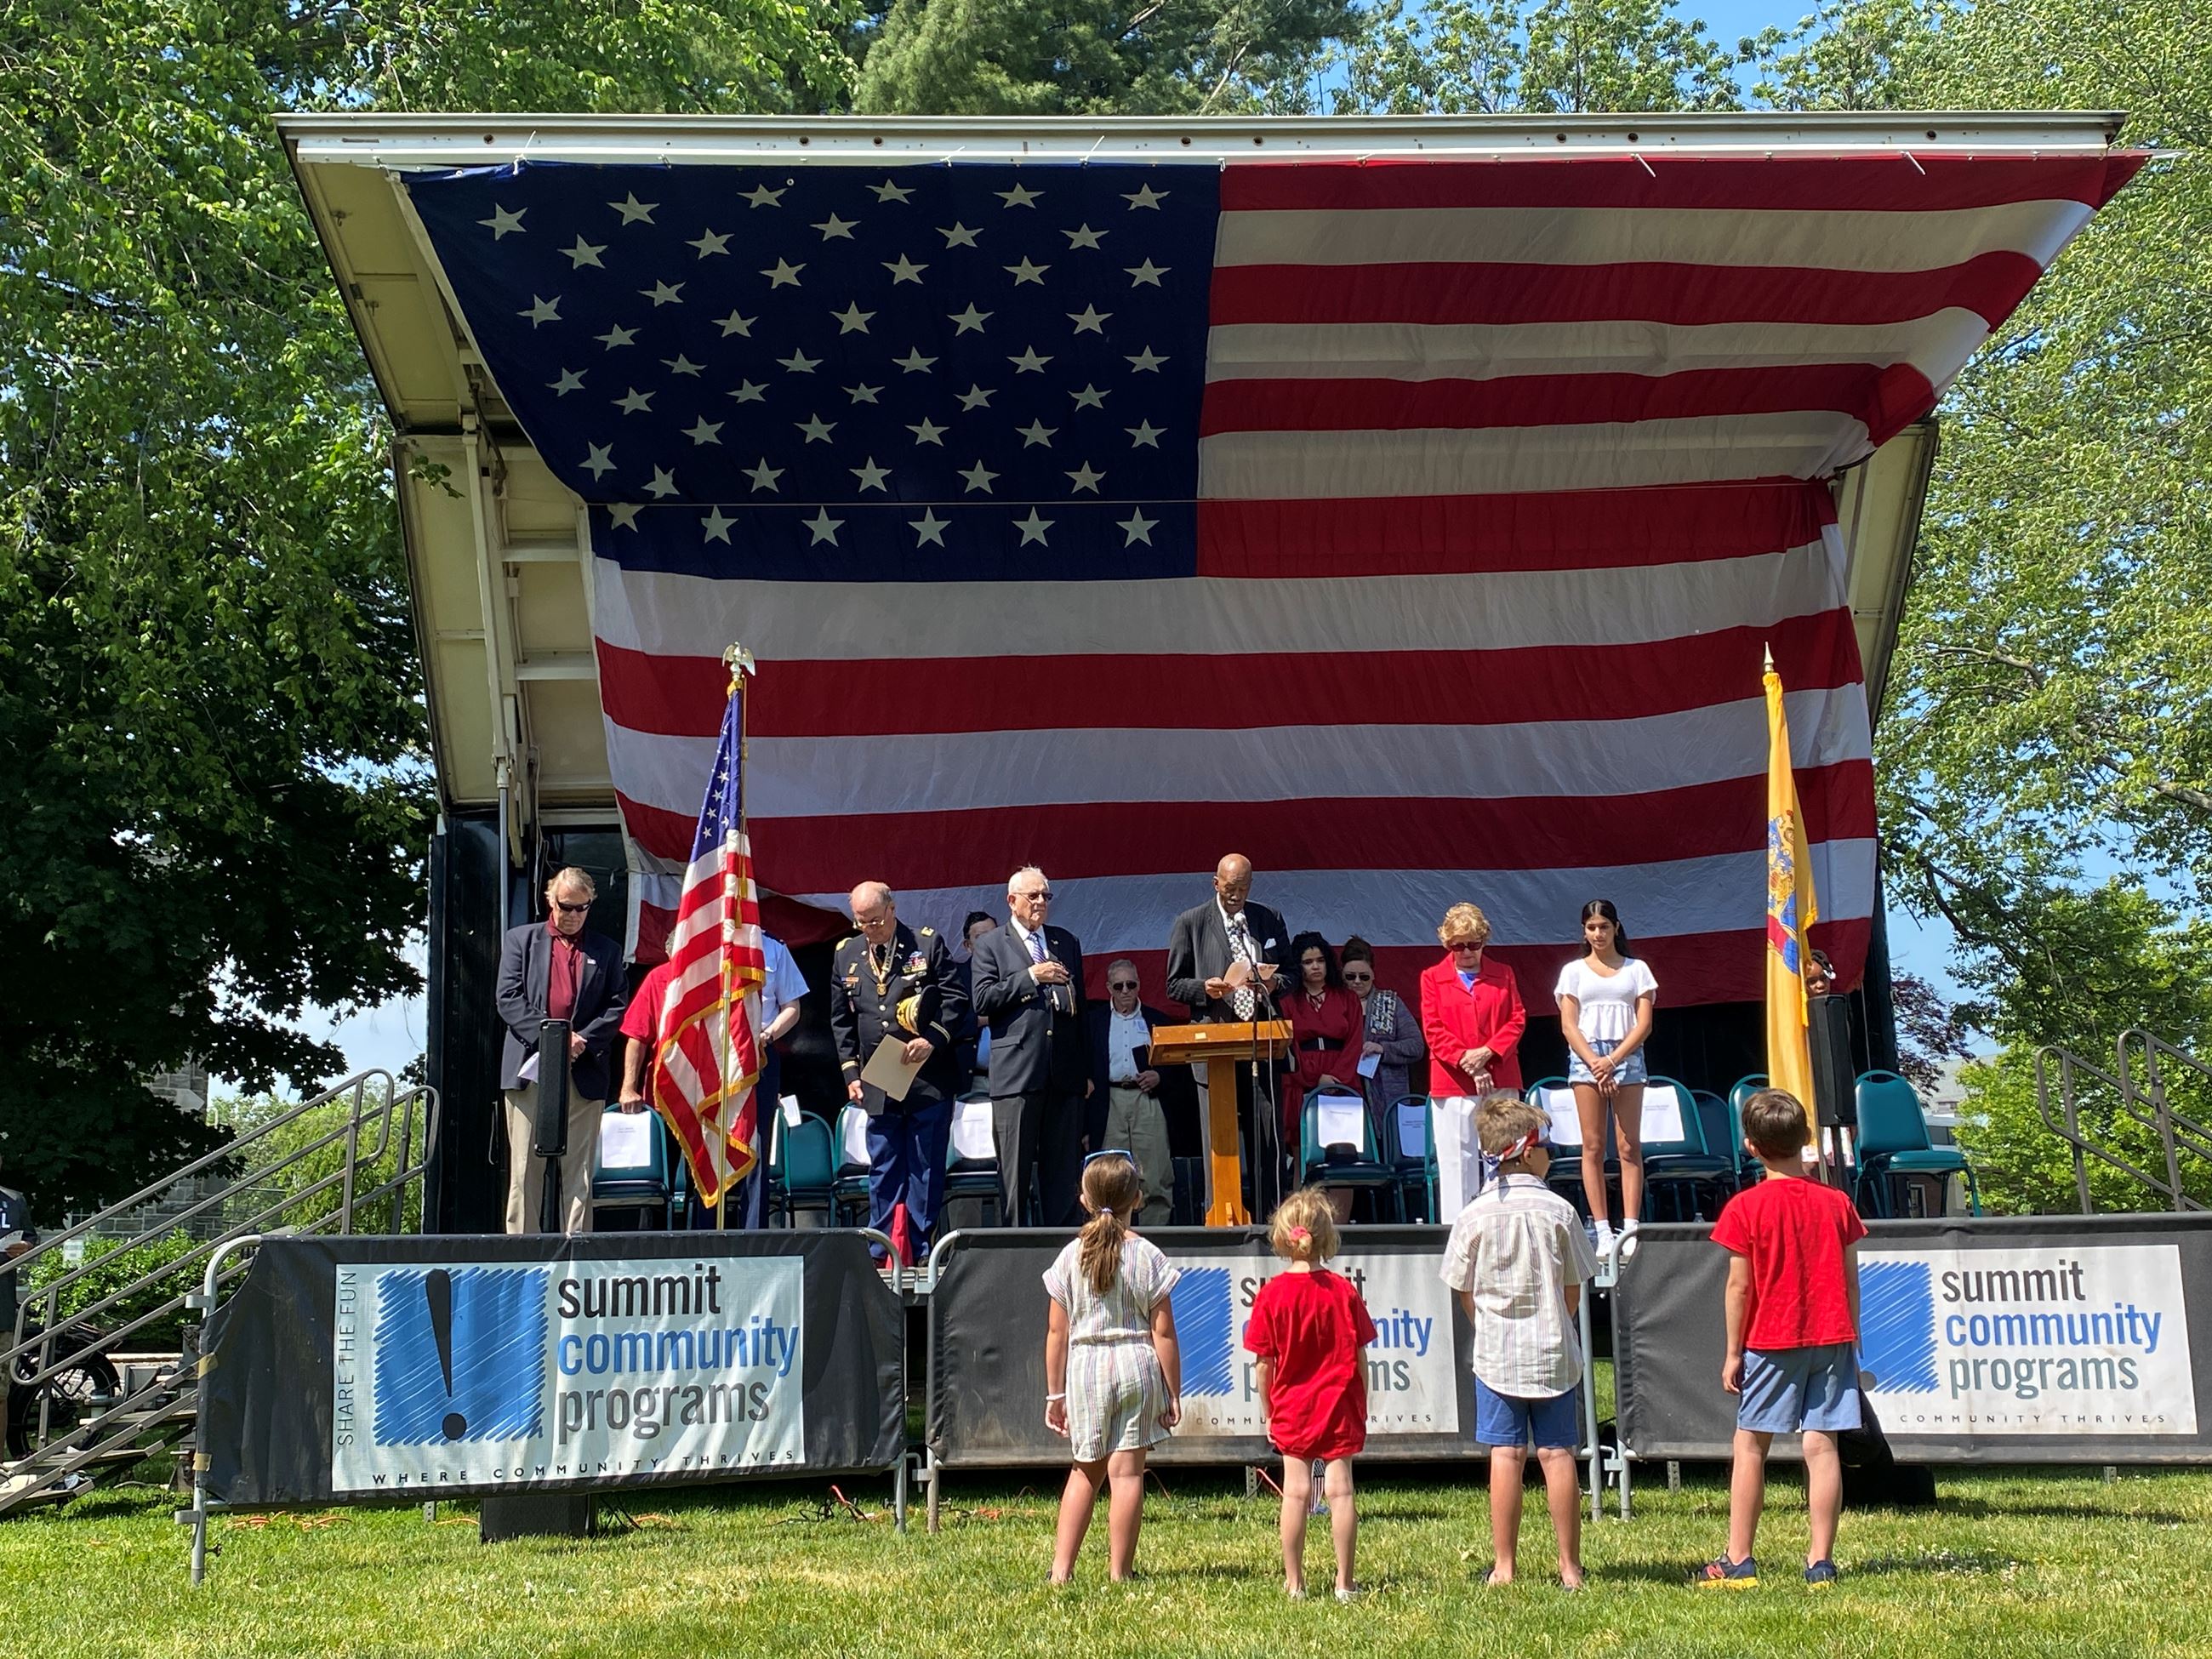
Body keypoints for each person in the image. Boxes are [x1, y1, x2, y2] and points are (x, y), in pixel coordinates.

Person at [1698, 1088, 1867, 1591]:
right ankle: (1820, 1562)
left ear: (1750, 1146)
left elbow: (1739, 1286)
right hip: (1832, 1336)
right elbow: (1852, 1278)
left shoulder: (1744, 1208)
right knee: (1823, 1446)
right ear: (1806, 1140)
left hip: (1771, 1339)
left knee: (1750, 1445)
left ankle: (1739, 1558)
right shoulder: (1837, 1202)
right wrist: (1852, 1337)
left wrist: (1732, 1351)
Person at [1440, 1093, 1598, 1589]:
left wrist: (1489, 1323)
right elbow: (1574, 1286)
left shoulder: (1473, 1214)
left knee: (1504, 1456)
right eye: (1547, 1145)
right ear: (1528, 1151)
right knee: (1557, 1454)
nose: (1552, 1153)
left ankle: (1504, 1567)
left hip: (1496, 1355)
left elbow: (1461, 1288)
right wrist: (1554, 1318)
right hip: (1553, 1348)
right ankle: (1569, 1567)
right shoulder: (1560, 1211)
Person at [1041, 1153, 1183, 1584]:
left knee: (1085, 1470)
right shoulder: (1148, 1256)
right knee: (1127, 1475)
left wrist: (1054, 1394)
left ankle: (1061, 1571)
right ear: (1137, 1198)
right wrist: (1174, 1390)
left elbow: (1056, 1333)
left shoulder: (1069, 1257)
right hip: (1136, 1365)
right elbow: (1164, 1333)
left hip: (1085, 1370)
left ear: (1084, 1199)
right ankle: (1120, 1573)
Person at [619, 931, 808, 1228]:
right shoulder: (695, 950)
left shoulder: (773, 948)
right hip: (702, 1066)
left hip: (756, 1056)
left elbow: (792, 1008)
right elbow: (638, 1034)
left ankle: (753, 1234)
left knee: (754, 1145)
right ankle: (700, 1232)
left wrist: (766, 1035)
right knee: (705, 1147)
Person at [1244, 1186, 1377, 1601]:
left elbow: (1263, 1365)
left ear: (1283, 1238)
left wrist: (1269, 1411)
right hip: (1338, 1404)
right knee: (1341, 1491)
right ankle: (1345, 1582)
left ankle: (1295, 1582)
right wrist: (1363, 1403)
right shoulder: (1343, 1291)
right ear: (1327, 1237)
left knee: (1297, 1491)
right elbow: (1360, 1359)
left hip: (1292, 1406)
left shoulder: (1270, 1296)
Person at [828, 881, 967, 1265]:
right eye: (861, 923)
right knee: (884, 1165)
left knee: (924, 1166)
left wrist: (933, 1040)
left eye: (874, 921)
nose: (869, 929)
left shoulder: (926, 944)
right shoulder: (847, 954)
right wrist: (851, 1073)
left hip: (926, 1075)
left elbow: (957, 1000)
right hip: (879, 1077)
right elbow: (841, 1021)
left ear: (891, 909)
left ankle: (922, 1252)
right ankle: (879, 1250)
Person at [494, 867, 629, 1234]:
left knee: (580, 1169)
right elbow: (508, 999)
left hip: (584, 1067)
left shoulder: (607, 950)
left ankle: (577, 1250)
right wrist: (554, 1038)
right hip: (530, 1065)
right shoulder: (521, 940)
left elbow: (617, 1005)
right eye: (566, 907)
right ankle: (523, 1251)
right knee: (523, 1168)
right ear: (550, 900)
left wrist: (581, 1039)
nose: (572, 916)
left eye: (581, 908)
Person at [1165, 853, 1290, 1211]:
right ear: (1215, 882)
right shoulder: (1191, 922)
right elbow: (1173, 985)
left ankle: (1272, 1218)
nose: (1235, 896)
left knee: (1267, 1140)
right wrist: (1206, 987)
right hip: (1215, 1044)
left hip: (1261, 1044)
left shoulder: (1267, 918)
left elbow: (1291, 974)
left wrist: (1271, 981)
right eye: (1230, 888)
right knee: (1219, 1145)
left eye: (1243, 889)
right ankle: (1219, 1214)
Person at [970, 867, 1091, 1227]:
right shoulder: (992, 944)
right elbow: (982, 999)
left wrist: (1084, 1071)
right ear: (1012, 901)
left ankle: (1063, 1248)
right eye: (1033, 896)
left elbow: (1080, 1009)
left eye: (1046, 897)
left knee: (1062, 1173)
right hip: (1017, 1075)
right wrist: (1030, 977)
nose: (1041, 903)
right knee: (1015, 1175)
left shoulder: (1064, 941)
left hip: (1063, 1074)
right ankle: (1015, 1250)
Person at [1554, 899, 1659, 1260]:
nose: (1597, 934)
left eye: (1603, 926)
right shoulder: (1572, 972)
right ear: (1584, 931)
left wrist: (1613, 1060)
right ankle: (1601, 1229)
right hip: (1587, 1056)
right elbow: (1568, 1023)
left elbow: (1643, 1023)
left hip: (1626, 1055)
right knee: (1593, 1146)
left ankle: (1630, 1227)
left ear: (1616, 927)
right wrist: (1595, 1062)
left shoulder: (1637, 969)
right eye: (1591, 927)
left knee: (1629, 1145)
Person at [1082, 958, 1196, 1227]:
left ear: (1139, 985)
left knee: (1156, 1176)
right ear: (1108, 987)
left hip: (1148, 1099)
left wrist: (1160, 1076)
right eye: (1119, 986)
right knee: (1110, 1178)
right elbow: (1083, 1068)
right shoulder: (1093, 1022)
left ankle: (1155, 1238)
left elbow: (1178, 1066)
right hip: (1109, 1100)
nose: (1125, 991)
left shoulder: (1157, 1020)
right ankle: (1111, 1237)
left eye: (1130, 985)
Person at [1283, 932, 1367, 1221]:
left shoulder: (1347, 998)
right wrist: (1312, 1078)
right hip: (1301, 1084)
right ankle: (1303, 1227)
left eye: (1320, 960)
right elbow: (1288, 1045)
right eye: (1308, 962)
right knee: (1303, 1158)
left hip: (1341, 1086)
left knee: (1342, 1159)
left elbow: (1355, 1041)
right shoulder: (1287, 1001)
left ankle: (1341, 1229)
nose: (1315, 966)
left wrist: (1334, 1079)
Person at [1418, 902, 1525, 1098]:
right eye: (1459, 946)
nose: (1467, 952)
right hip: (1452, 1080)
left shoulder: (1504, 974)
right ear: (1448, 945)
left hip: (1500, 1076)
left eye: (1474, 944)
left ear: (1484, 941)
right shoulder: (1431, 977)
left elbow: (1516, 1020)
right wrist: (1468, 1062)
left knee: (1506, 1130)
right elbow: (1433, 1029)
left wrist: (1487, 1051)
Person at [1341, 937, 1424, 1129]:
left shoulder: (1390, 1002)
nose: (1357, 982)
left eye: (1364, 977)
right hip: (1345, 1093)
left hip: (1387, 1098)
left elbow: (1416, 1046)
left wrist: (1383, 1049)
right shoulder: (1333, 1004)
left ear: (1373, 975)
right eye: (1350, 977)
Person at [950, 909, 998, 1095]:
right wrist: (982, 1020)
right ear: (968, 945)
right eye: (980, 937)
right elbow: (947, 1024)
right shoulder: (955, 979)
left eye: (994, 935)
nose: (989, 942)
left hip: (1012, 1078)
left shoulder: (1016, 975)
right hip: (971, 1079)